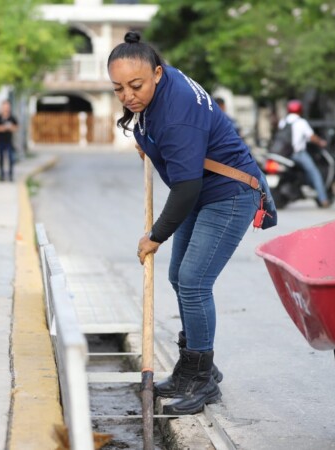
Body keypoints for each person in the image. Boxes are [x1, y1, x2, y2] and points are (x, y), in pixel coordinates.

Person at [107, 31, 263, 415]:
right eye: (119, 89)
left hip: (228, 194)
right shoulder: (159, 85)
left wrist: (155, 236)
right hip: (204, 190)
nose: (128, 96)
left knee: (193, 281)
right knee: (180, 277)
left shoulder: (176, 113)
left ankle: (202, 379)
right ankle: (191, 366)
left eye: (136, 86)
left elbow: (186, 188)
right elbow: (164, 138)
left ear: (158, 73)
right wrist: (148, 140)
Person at [278, 100, 331, 207]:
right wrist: (321, 142)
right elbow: (311, 137)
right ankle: (323, 199)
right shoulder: (301, 122)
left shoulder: (283, 121)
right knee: (315, 172)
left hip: (284, 154)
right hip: (298, 154)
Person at [0, 100, 19, 182]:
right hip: (0, 141)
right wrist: (0, 129)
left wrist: (11, 128)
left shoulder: (12, 118)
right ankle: (2, 175)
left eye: (7, 107)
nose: (6, 109)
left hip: (9, 141)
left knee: (11, 158)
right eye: (4, 107)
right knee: (1, 158)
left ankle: (10, 175)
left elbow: (16, 127)